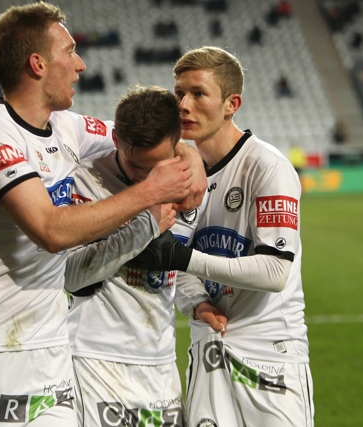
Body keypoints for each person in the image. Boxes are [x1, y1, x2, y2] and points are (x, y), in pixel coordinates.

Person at [0, 3, 206, 426]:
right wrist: (149, 193)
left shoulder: (67, 127)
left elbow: (141, 135)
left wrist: (188, 152)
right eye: (69, 52)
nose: (80, 64)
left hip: (50, 356)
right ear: (37, 64)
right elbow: (49, 230)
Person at [131, 46, 314, 426]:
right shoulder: (177, 174)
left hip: (271, 356)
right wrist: (197, 301)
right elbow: (176, 258)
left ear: (232, 104)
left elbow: (274, 272)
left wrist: (183, 260)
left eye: (198, 94)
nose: (183, 105)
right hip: (210, 347)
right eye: (179, 93)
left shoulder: (267, 167)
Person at [63, 86, 226, 427]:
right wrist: (144, 226)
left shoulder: (188, 182)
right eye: (137, 166)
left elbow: (173, 259)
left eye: (157, 167)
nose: (147, 177)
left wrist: (196, 300)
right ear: (116, 139)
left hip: (160, 360)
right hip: (97, 360)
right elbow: (73, 276)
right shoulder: (85, 181)